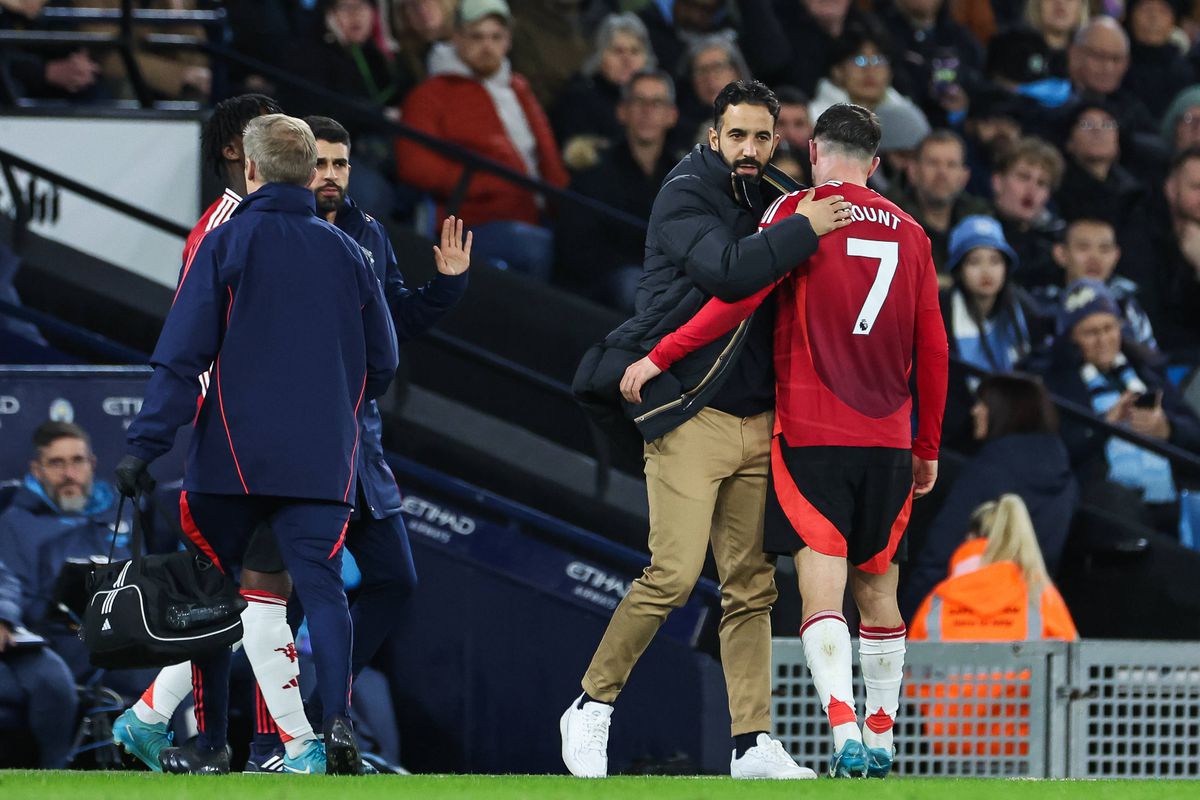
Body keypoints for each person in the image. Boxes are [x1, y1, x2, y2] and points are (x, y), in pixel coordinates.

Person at [111, 115, 470, 774]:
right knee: (318, 594)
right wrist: (336, 403)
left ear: (252, 169)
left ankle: (213, 739)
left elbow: (180, 357)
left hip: (230, 460)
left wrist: (145, 444)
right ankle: (328, 730)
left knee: (215, 601)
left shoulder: (226, 241)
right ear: (309, 172)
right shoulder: (348, 252)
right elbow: (385, 358)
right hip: (322, 461)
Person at [626, 102, 949, 779]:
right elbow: (934, 348)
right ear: (877, 164)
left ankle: (843, 735)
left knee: (820, 592)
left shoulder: (796, 214)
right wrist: (927, 447)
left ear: (812, 155)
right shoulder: (914, 234)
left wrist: (661, 355)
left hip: (812, 430)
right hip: (889, 440)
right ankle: (886, 742)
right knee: (880, 594)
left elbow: (736, 298)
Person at [565, 80, 853, 781]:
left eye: (762, 137)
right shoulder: (685, 191)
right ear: (713, 135)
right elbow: (727, 274)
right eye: (738, 137)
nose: (749, 150)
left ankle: (751, 742)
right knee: (671, 574)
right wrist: (805, 228)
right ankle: (590, 704)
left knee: (753, 588)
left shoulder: (773, 194)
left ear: (776, 138)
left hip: (762, 416)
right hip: (690, 411)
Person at [396, 0, 569, 280]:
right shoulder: (431, 93)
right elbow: (413, 164)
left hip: (537, 216)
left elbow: (547, 156)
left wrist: (566, 206)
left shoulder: (519, 88)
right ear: (457, 38)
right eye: (477, 36)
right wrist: (480, 183)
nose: (487, 46)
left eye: (496, 37)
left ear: (508, 41)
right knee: (536, 247)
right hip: (474, 222)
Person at [901, 374, 1077, 618]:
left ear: (1005, 410)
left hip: (967, 617)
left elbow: (940, 554)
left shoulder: (989, 470)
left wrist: (910, 616)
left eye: (982, 403)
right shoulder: (1064, 474)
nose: (974, 411)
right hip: (1029, 615)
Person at [1039, 279, 1200, 536]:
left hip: (1169, 503)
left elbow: (1194, 433)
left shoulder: (1146, 374)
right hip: (1106, 509)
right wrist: (1104, 425)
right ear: (1071, 338)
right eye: (1090, 332)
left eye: (1109, 328)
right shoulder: (1056, 385)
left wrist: (1167, 428)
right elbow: (1054, 453)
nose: (1103, 340)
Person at [557, 70, 680, 310]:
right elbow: (578, 248)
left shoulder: (685, 179)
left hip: (663, 284)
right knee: (634, 285)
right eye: (639, 101)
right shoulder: (594, 169)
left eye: (656, 103)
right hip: (604, 286)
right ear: (622, 111)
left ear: (671, 115)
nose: (647, 111)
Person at [909, 494, 1078, 641]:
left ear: (970, 538)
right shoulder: (1041, 597)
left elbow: (911, 668)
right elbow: (1074, 662)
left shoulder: (937, 601)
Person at [1032, 217, 1157, 351]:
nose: (1094, 258)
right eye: (1083, 248)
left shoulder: (1128, 303)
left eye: (1104, 249)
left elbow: (1150, 357)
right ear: (1061, 254)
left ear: (1116, 256)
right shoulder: (1038, 305)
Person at [0, 555, 78, 769]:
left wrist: (3, 616)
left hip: (8, 644)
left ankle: (54, 773)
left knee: (51, 673)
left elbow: (5, 582)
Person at [940, 216, 1039, 379]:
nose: (986, 271)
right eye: (974, 262)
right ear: (958, 270)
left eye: (995, 261)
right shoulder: (941, 313)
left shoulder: (1023, 306)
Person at [552, 13, 656, 165]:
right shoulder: (578, 98)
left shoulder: (656, 101)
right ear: (600, 56)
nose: (627, 60)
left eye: (635, 51)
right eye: (618, 51)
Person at [889, 130, 991, 273]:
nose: (942, 173)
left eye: (951, 165)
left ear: (965, 176)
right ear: (913, 172)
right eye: (933, 163)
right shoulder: (890, 219)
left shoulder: (980, 219)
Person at [989, 137, 1064, 288]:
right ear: (997, 182)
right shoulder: (975, 230)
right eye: (1023, 177)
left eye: (1041, 183)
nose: (1032, 189)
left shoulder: (1053, 243)